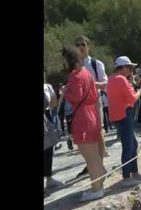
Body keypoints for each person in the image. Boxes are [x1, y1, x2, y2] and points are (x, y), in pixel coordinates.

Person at [62, 46, 106, 202]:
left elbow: (77, 95)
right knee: (94, 155)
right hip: (91, 114)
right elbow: (93, 96)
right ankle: (98, 186)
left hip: (82, 117)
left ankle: (96, 190)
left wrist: (65, 92)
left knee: (90, 157)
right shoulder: (87, 73)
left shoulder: (75, 76)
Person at [107, 56, 141, 187]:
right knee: (128, 147)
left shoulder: (112, 79)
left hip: (117, 116)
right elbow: (131, 99)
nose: (131, 70)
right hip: (125, 115)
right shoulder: (121, 80)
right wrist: (140, 92)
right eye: (130, 68)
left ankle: (134, 172)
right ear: (124, 67)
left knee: (133, 145)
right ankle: (126, 176)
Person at [75, 36, 109, 178]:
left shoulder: (96, 64)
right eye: (77, 45)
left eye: (82, 44)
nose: (80, 47)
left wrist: (88, 83)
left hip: (94, 101)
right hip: (80, 105)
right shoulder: (74, 66)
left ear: (89, 46)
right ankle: (92, 164)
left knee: (98, 133)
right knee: (84, 137)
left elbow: (105, 83)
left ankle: (100, 165)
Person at [44, 74, 64, 190]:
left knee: (48, 148)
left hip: (46, 117)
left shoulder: (47, 86)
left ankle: (49, 177)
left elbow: (53, 103)